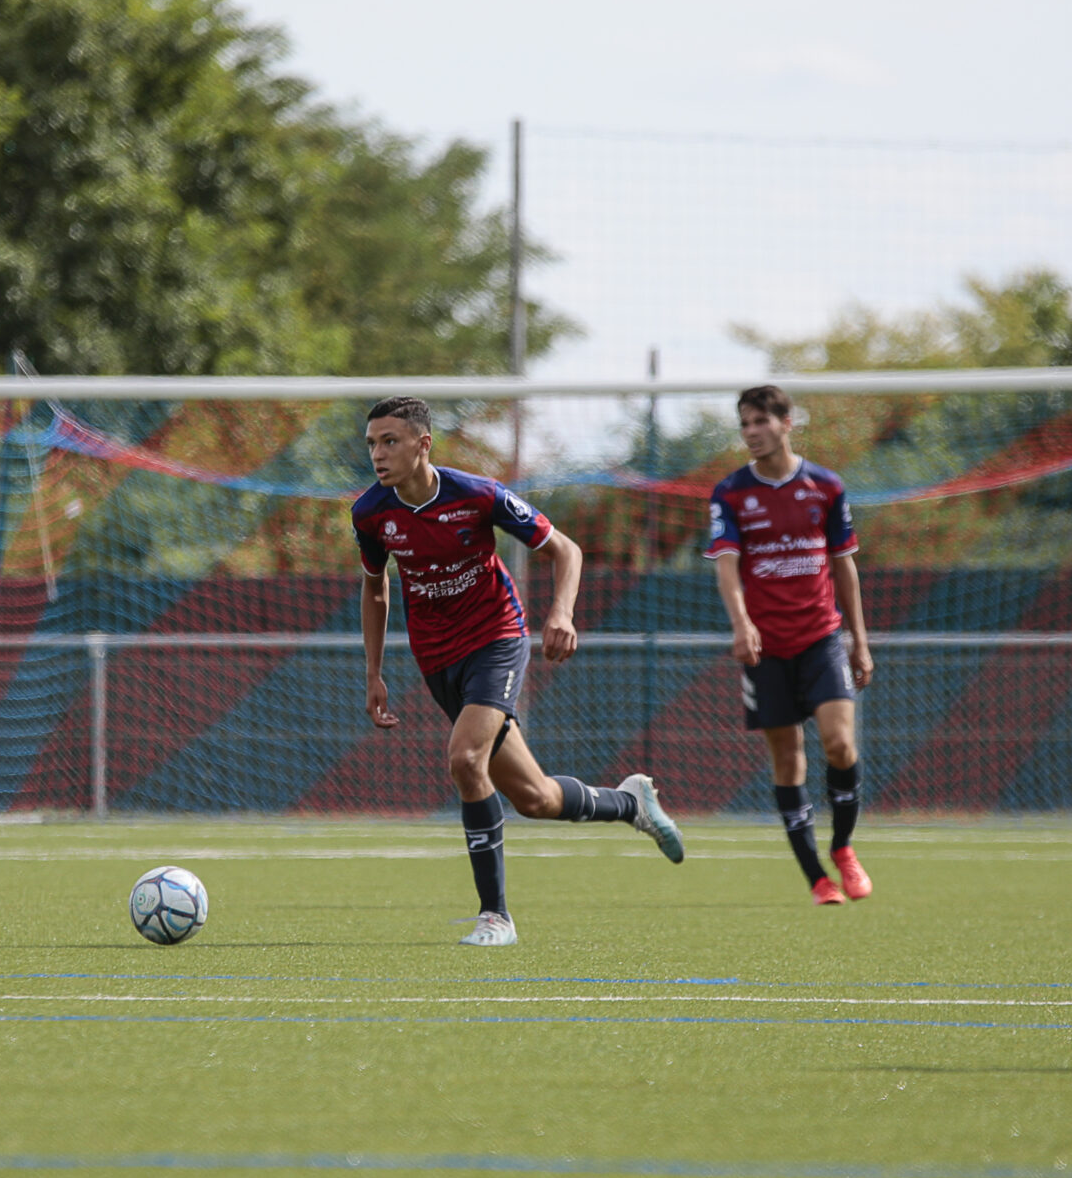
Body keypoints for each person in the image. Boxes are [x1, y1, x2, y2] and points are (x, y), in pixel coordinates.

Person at [354, 396, 683, 947]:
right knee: (535, 799)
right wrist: (373, 672)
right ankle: (631, 803)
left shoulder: (477, 495)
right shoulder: (370, 513)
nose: (378, 454)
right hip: (436, 659)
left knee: (464, 758)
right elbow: (375, 585)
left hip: (496, 641)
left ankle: (496, 917)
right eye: (371, 444)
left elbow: (567, 550)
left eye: (390, 441)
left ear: (422, 444)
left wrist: (560, 612)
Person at [705, 384, 875, 906]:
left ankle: (843, 848)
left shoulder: (825, 485)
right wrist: (741, 624)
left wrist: (859, 641)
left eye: (760, 422)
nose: (751, 433)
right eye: (745, 424)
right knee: (787, 759)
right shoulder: (731, 492)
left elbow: (844, 565)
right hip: (766, 646)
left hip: (821, 637)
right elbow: (727, 565)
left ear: (786, 422)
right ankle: (817, 878)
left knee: (840, 743)